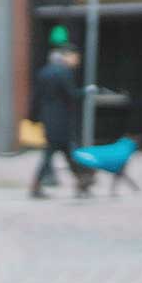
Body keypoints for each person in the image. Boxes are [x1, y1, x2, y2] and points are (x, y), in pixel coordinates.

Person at [28, 44, 95, 199]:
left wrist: (32, 117)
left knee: (63, 153)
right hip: (61, 120)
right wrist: (86, 91)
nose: (76, 61)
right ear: (67, 56)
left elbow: (36, 97)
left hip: (48, 119)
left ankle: (81, 182)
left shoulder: (44, 72)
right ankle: (81, 182)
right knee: (56, 153)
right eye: (75, 58)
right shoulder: (64, 73)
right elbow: (72, 95)